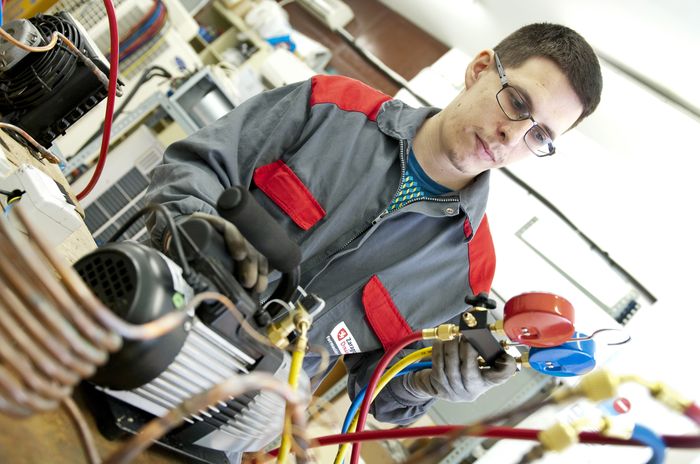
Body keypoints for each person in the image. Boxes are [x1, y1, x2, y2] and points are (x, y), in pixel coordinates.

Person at [145, 22, 603, 424]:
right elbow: (191, 171)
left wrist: (431, 385)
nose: (513, 135)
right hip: (139, 317)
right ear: (480, 69)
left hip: (229, 417)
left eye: (540, 135)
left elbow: (378, 397)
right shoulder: (329, 106)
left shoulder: (469, 271)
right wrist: (193, 234)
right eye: (518, 102)